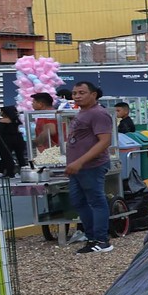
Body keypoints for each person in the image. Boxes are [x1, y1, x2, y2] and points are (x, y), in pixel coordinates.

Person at [63, 79, 117, 254]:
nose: (77, 96)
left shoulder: (98, 113)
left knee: (96, 201)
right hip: (77, 168)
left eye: (81, 93)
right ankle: (91, 236)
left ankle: (102, 240)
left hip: (91, 166)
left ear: (93, 95)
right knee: (79, 202)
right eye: (74, 93)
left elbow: (105, 141)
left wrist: (80, 161)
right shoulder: (81, 113)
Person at [0, 104, 29, 178]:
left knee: (6, 156)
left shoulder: (3, 121)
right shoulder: (16, 120)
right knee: (20, 157)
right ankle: (23, 171)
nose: (0, 113)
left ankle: (9, 172)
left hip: (6, 141)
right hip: (18, 139)